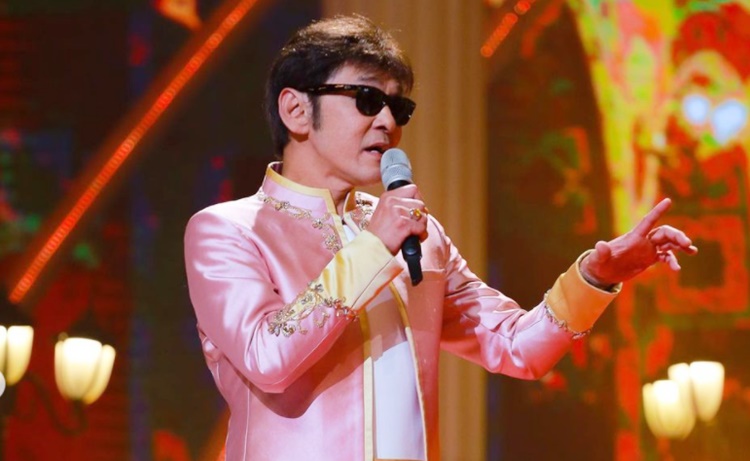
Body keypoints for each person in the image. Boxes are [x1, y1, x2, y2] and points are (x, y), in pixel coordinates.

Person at [183, 14, 698, 461]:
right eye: (367, 99)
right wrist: (372, 248)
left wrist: (595, 277)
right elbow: (267, 360)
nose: (388, 122)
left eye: (399, 108)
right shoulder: (227, 231)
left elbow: (516, 346)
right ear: (296, 110)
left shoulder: (417, 233)